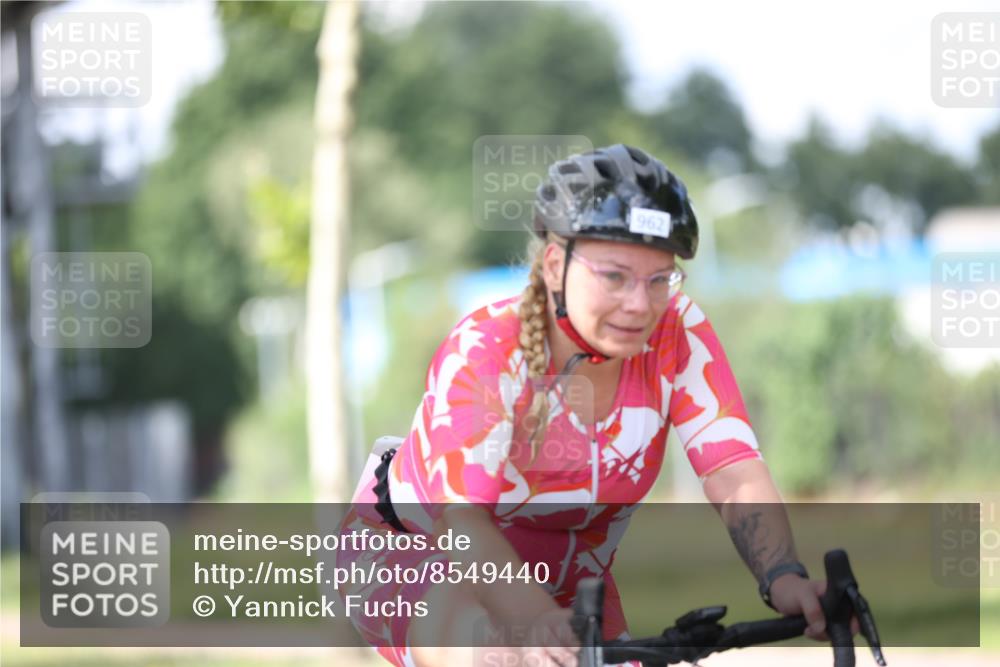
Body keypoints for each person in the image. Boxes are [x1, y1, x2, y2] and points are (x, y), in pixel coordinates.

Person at [338, 144, 831, 667]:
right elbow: (462, 522)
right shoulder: (486, 350)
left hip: (569, 583)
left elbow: (733, 472)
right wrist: (532, 620)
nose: (639, 304)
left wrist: (784, 578)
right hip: (417, 555)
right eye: (615, 276)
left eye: (659, 279)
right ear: (555, 266)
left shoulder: (676, 330)